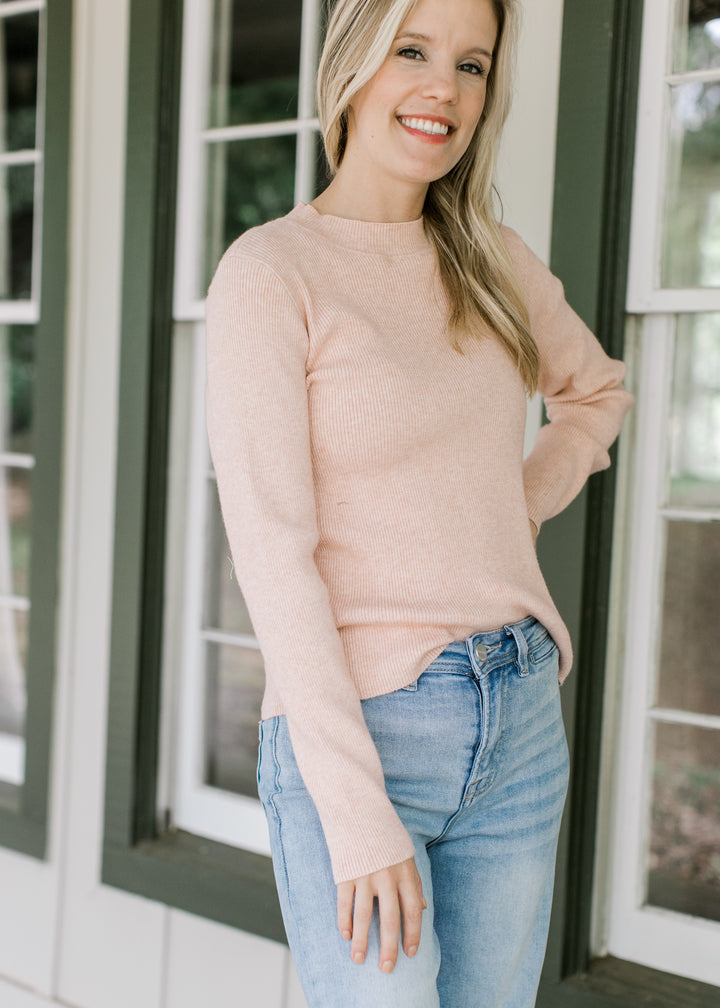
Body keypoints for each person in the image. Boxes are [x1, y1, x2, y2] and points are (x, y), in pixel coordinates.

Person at [205, 0, 633, 1004]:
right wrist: (354, 814)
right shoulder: (273, 274)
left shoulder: (492, 259)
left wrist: (513, 504)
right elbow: (272, 556)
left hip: (519, 713)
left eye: (472, 64)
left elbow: (596, 392)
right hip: (362, 738)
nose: (445, 88)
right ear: (354, 62)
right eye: (413, 51)